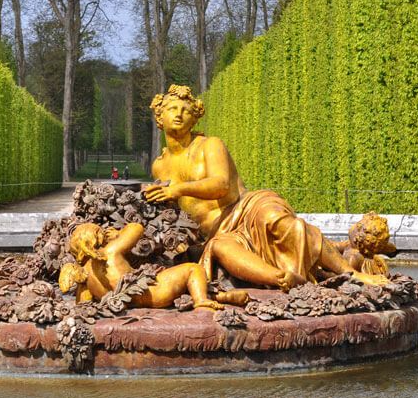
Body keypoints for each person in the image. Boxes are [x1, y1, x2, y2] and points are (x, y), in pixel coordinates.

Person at [143, 84, 389, 291]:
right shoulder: (160, 166)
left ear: (195, 117)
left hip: (245, 208)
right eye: (172, 109)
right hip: (218, 234)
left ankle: (352, 274)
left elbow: (221, 185)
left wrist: (177, 189)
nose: (179, 114)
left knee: (280, 221)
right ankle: (282, 279)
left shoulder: (210, 145)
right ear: (159, 117)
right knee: (222, 248)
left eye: (186, 110)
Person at [59, 222, 248, 310]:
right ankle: (200, 300)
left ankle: (223, 297)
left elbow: (82, 304)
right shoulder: (110, 252)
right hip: (153, 292)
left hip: (127, 303)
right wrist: (117, 234)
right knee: (193, 269)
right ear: (99, 238)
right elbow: (137, 229)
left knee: (183, 286)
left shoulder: (84, 274)